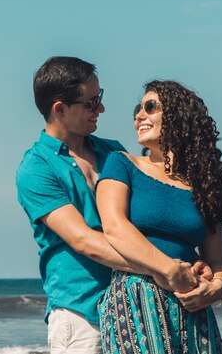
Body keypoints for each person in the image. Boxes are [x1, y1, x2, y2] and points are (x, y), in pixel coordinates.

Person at [16, 58, 209, 354]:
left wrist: (193, 264)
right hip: (83, 314)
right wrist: (163, 268)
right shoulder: (36, 168)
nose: (101, 109)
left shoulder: (113, 152)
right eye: (91, 103)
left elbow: (151, 220)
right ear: (60, 109)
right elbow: (84, 241)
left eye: (100, 97)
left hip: (138, 308)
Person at [96, 80, 222, 354]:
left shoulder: (206, 184)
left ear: (178, 116)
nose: (139, 116)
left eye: (150, 107)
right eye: (138, 109)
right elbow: (114, 227)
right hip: (136, 296)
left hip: (192, 304)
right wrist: (169, 269)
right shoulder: (122, 163)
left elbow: (217, 261)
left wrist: (215, 288)